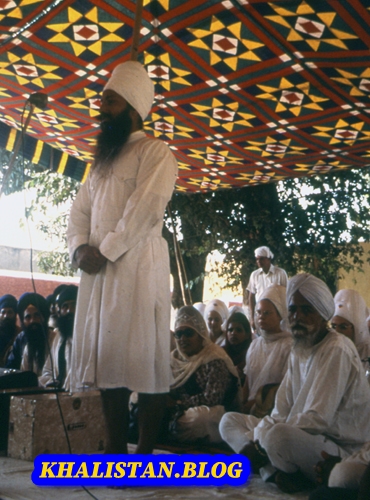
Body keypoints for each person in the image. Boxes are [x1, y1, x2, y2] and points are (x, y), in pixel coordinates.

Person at [67, 60, 178, 454]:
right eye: (103, 101)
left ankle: (144, 455)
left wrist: (105, 250)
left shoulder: (156, 151)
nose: (103, 109)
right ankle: (116, 452)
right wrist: (80, 247)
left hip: (139, 267)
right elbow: (79, 211)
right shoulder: (100, 162)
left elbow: (145, 208)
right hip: (99, 274)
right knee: (109, 365)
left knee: (146, 365)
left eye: (110, 102)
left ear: (133, 107)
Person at [220, 273, 370, 494]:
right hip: (301, 434)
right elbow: (282, 408)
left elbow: (317, 419)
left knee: (278, 437)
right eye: (292, 309)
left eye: (306, 310)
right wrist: (262, 433)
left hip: (337, 446)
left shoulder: (336, 348)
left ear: (322, 313)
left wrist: (260, 443)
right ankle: (276, 471)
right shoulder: (298, 348)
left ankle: (274, 469)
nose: (297, 316)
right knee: (228, 421)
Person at [166, 305, 240, 444]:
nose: (183, 338)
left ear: (200, 335)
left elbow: (213, 398)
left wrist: (177, 404)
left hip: (209, 412)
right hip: (177, 411)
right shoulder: (173, 359)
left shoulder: (214, 357)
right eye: (178, 334)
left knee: (201, 418)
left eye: (188, 333)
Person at [242, 284, 292, 416]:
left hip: (273, 410)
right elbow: (248, 381)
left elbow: (284, 387)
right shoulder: (255, 344)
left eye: (267, 313)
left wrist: (255, 404)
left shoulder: (289, 346)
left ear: (281, 315)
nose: (261, 317)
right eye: (258, 312)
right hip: (249, 408)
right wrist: (242, 405)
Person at [39, 285, 78, 390]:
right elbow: (47, 370)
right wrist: (53, 382)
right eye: (65, 306)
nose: (70, 310)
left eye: (74, 305)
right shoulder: (59, 337)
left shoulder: (86, 338)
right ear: (59, 311)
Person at [6, 293, 52, 376]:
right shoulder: (21, 339)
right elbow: (12, 368)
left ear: (44, 317)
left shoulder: (55, 338)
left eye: (37, 315)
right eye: (28, 317)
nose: (32, 321)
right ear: (23, 320)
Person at [247, 246, 288, 332]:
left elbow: (286, 295)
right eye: (257, 259)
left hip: (277, 316)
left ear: (268, 258)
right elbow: (251, 296)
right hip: (260, 315)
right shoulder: (254, 275)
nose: (259, 261)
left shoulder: (280, 273)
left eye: (261, 259)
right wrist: (252, 318)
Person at [332, 289, 370, 371]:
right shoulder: (330, 350)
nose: (336, 332)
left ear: (356, 329)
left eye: (343, 327)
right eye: (333, 326)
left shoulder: (367, 353)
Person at [223, 311, 252, 385]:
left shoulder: (252, 354)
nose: (233, 333)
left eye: (238, 330)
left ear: (247, 334)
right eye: (230, 330)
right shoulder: (220, 353)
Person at [0, 294, 20, 367]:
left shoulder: (20, 334)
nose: (6, 316)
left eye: (10, 312)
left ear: (15, 314)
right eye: (3, 312)